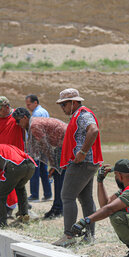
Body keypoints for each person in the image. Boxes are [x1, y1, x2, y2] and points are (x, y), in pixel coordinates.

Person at [53, 88, 103, 247]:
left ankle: (69, 236)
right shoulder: (78, 115)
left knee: (67, 196)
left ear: (74, 103)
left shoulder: (82, 114)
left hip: (82, 163)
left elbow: (93, 129)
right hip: (87, 163)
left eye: (64, 104)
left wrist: (83, 151)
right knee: (85, 199)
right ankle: (89, 236)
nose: (62, 108)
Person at [13, 108, 67, 218]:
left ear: (24, 118)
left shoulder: (34, 125)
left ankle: (59, 208)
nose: (17, 124)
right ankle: (57, 206)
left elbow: (45, 146)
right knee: (58, 176)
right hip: (60, 144)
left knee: (59, 176)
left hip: (65, 142)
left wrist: (54, 165)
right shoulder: (33, 123)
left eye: (18, 121)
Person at [24, 95, 52, 201]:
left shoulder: (36, 114)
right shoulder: (44, 111)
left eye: (29, 104)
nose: (28, 107)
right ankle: (48, 193)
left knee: (34, 170)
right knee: (43, 170)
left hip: (38, 145)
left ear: (35, 102)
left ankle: (35, 194)